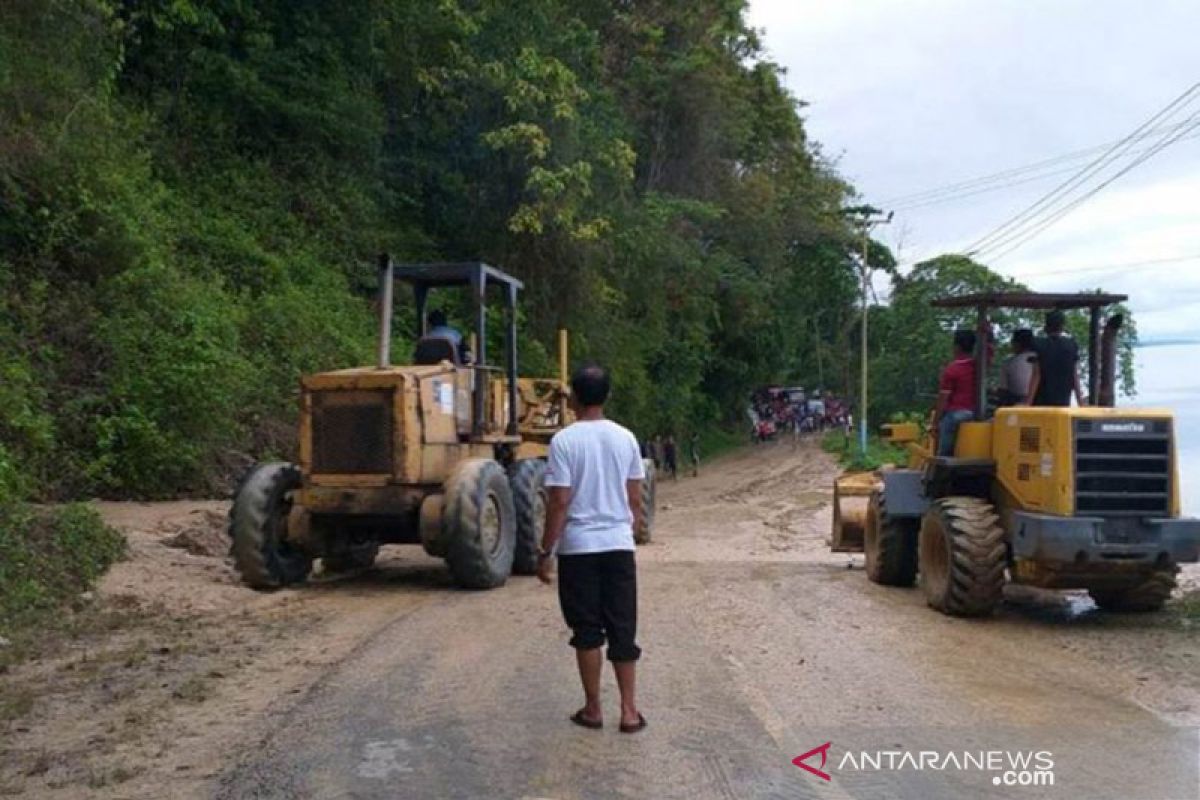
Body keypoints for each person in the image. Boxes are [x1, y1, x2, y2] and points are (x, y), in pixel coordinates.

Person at [537, 363, 647, 734]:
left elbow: (559, 501)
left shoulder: (564, 442)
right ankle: (629, 712)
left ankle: (593, 708)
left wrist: (545, 551)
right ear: (607, 396)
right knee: (622, 628)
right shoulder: (626, 438)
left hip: (579, 548)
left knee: (586, 630)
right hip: (617, 546)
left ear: (574, 398)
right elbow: (635, 499)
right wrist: (630, 532)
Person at [1027, 310, 1086, 407]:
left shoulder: (1038, 344)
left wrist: (1027, 403)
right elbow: (1074, 375)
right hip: (1063, 403)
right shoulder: (1071, 345)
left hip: (1041, 403)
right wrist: (1080, 402)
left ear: (1046, 327)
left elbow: (1036, 375)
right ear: (1062, 326)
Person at [934, 329, 977, 457]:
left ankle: (942, 460)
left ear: (957, 347)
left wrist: (935, 422)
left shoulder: (952, 370)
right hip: (977, 410)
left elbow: (943, 398)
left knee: (945, 432)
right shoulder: (978, 365)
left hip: (958, 412)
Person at [998, 328, 1037, 406]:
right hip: (1040, 404)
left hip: (1017, 405)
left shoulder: (1008, 363)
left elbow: (1003, 391)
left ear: (1017, 343)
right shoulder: (1041, 359)